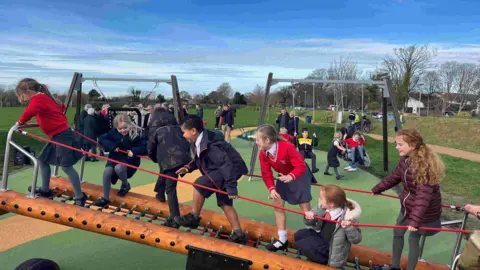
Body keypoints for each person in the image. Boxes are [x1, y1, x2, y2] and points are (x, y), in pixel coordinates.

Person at [371, 128, 444, 270]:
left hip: (422, 212)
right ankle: (395, 266)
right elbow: (395, 177)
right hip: (408, 206)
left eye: (400, 144)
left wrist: (415, 221)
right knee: (397, 232)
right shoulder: (405, 160)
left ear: (413, 144)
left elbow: (423, 197)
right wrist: (377, 188)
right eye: (396, 143)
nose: (397, 147)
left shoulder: (424, 166)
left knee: (413, 238)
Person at [174, 115, 248, 244]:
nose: (183, 135)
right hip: (222, 170)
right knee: (224, 203)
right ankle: (238, 233)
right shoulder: (200, 139)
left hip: (230, 170)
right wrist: (188, 167)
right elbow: (200, 159)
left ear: (193, 131)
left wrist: (231, 187)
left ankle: (194, 217)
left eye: (184, 132)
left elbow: (226, 164)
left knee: (200, 184)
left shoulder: (211, 144)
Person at [15, 78, 86, 206]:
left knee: (66, 166)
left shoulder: (38, 99)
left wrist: (19, 123)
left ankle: (80, 196)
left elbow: (30, 111)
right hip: (57, 135)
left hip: (62, 135)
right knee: (42, 160)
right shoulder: (44, 97)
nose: (23, 98)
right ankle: (45, 190)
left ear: (28, 91)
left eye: (22, 95)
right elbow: (61, 107)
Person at [256, 124, 313, 252]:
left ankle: (313, 238)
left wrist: (291, 176)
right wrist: (271, 188)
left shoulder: (287, 147)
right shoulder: (263, 153)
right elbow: (266, 173)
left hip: (299, 175)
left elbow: (301, 166)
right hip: (283, 176)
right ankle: (282, 239)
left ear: (267, 140)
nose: (256, 142)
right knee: (277, 204)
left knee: (305, 211)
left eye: (258, 140)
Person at [295, 184, 362, 268]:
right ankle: (316, 257)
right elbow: (311, 223)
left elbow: (357, 239)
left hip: (332, 248)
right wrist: (309, 218)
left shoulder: (349, 217)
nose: (319, 199)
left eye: (321, 198)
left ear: (331, 204)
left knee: (305, 244)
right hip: (321, 237)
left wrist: (348, 227)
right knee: (299, 234)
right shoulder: (322, 207)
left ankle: (324, 263)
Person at [147, 107, 192, 228]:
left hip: (169, 160)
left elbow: (150, 147)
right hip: (182, 157)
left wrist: (154, 158)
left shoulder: (156, 129)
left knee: (170, 188)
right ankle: (159, 193)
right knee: (164, 172)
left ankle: (174, 217)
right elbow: (186, 143)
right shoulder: (178, 128)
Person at [92, 114, 147, 207]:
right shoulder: (113, 133)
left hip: (129, 161)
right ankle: (105, 198)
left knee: (119, 168)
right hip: (115, 158)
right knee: (107, 171)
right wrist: (112, 146)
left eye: (125, 127)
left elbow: (145, 148)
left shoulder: (136, 134)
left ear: (130, 124)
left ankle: (125, 185)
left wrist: (134, 151)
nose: (123, 130)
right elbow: (101, 139)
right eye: (120, 129)